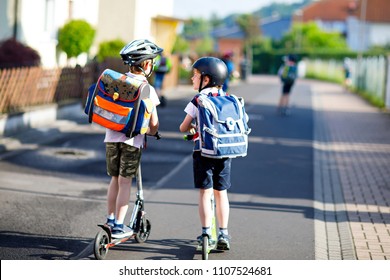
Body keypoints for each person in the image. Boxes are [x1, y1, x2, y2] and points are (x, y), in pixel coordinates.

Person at [104, 39, 162, 239]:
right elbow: (154, 122)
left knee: (114, 180)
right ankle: (119, 225)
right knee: (125, 182)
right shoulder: (147, 89)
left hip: (111, 137)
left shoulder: (117, 82)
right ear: (146, 65)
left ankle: (110, 219)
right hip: (132, 142)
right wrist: (154, 132)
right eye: (152, 62)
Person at [179, 56, 232, 250]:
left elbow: (183, 127)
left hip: (204, 152)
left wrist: (194, 127)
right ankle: (224, 234)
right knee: (221, 193)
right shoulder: (227, 97)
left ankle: (206, 232)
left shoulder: (198, 100)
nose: (192, 79)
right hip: (224, 152)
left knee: (205, 192)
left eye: (195, 75)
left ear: (206, 79)